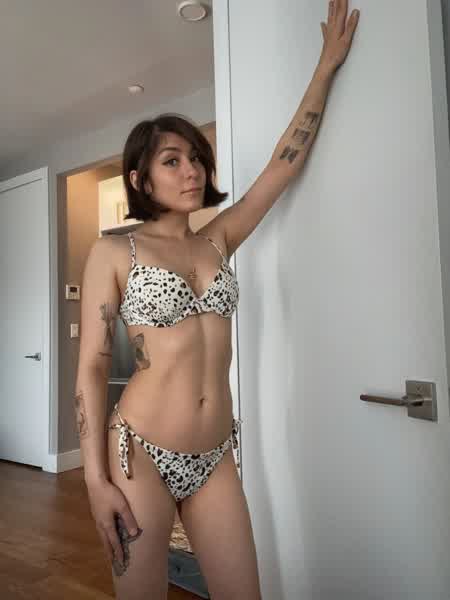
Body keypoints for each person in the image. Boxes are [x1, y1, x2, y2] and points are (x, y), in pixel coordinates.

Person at [74, 2, 360, 598]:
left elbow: (282, 166)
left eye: (196, 159)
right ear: (139, 179)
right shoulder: (114, 251)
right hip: (138, 452)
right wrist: (96, 482)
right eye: (172, 161)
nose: (193, 171)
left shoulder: (218, 239)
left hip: (215, 455)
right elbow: (93, 368)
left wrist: (326, 65)